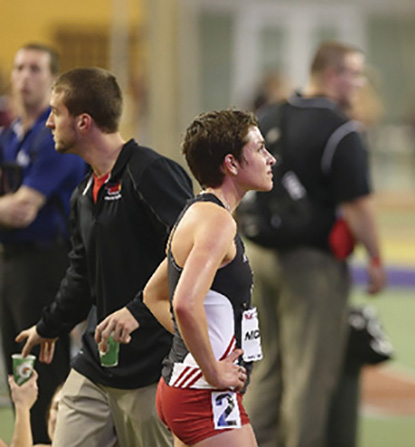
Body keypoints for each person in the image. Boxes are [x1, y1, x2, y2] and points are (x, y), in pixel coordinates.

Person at [15, 67, 194, 447]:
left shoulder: (150, 172)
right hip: (97, 364)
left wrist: (138, 311)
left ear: (83, 122)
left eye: (55, 113)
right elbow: (81, 275)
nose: (48, 123)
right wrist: (49, 326)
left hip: (152, 364)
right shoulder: (83, 192)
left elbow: (193, 251)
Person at [241, 41, 386, 447]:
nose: (359, 84)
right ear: (333, 75)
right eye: (355, 75)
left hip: (259, 256)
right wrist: (375, 257)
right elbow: (358, 207)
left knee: (267, 369)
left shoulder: (268, 115)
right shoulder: (341, 129)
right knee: (310, 375)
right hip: (310, 266)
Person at [140, 109, 274, 446]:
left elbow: (154, 295)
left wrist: (200, 345)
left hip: (184, 386)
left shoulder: (197, 213)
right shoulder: (217, 222)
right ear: (231, 164)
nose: (270, 158)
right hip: (203, 395)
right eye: (259, 149)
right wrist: (212, 367)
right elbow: (183, 302)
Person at [0, 43, 86, 445]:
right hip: (10, 263)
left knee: (45, 374)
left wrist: (10, 207)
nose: (24, 76)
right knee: (17, 372)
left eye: (35, 69)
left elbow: (23, 210)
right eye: (19, 68)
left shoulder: (56, 139)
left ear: (53, 80)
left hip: (46, 264)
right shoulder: (10, 136)